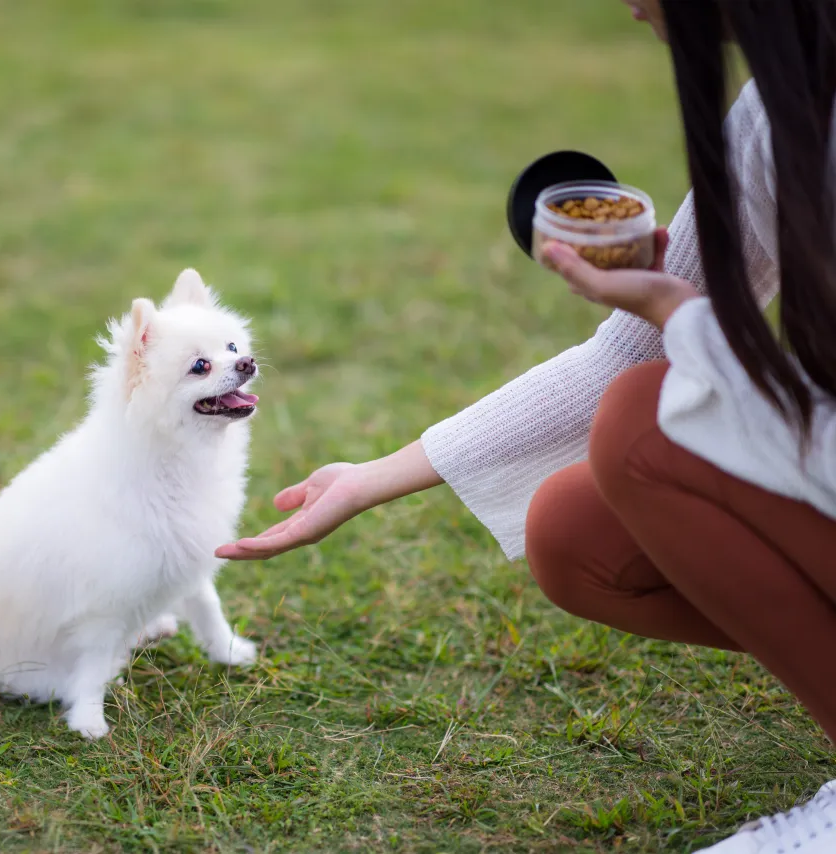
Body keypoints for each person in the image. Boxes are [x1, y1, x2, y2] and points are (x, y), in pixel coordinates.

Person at [216, 1, 836, 850]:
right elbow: (624, 355)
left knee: (641, 431)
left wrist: (681, 315)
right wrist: (366, 481)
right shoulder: (780, 109)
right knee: (574, 534)